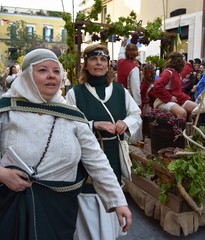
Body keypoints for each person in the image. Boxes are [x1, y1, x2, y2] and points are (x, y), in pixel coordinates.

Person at [0, 48, 132, 240]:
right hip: (12, 202)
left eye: (56, 71)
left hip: (59, 206)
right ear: (28, 75)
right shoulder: (6, 110)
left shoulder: (72, 114)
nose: (51, 76)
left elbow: (96, 160)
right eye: (43, 70)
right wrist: (2, 174)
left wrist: (118, 201)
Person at [66, 43, 141, 240]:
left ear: (108, 64)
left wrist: (125, 123)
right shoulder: (75, 93)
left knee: (112, 195)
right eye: (93, 59)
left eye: (103, 59)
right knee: (90, 200)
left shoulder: (119, 91)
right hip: (87, 158)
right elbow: (67, 125)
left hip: (113, 153)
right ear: (86, 64)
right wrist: (93, 124)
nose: (98, 63)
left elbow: (136, 114)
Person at [153, 52, 197, 120]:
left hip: (178, 99)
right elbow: (157, 87)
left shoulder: (177, 73)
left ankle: (190, 128)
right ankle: (179, 130)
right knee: (182, 113)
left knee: (197, 109)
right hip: (164, 101)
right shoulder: (168, 73)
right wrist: (170, 97)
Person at [117, 38, 142, 107]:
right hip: (128, 100)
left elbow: (121, 53)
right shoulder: (134, 68)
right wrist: (138, 104)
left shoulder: (120, 62)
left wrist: (122, 45)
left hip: (118, 96)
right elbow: (135, 88)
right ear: (136, 53)